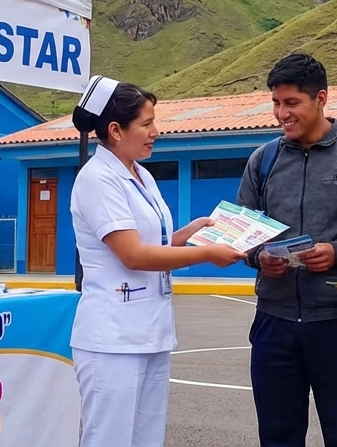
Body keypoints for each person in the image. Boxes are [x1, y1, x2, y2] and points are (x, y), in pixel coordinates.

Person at [69, 75, 245, 447]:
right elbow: (132, 254)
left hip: (149, 331)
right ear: (115, 130)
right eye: (146, 124)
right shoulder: (97, 179)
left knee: (146, 437)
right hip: (112, 337)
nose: (155, 132)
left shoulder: (141, 175)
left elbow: (153, 242)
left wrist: (191, 234)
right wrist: (206, 254)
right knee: (110, 439)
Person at [238, 53, 337, 447]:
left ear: (321, 98)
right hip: (273, 322)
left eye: (291, 103)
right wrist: (260, 257)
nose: (281, 113)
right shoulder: (263, 160)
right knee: (277, 436)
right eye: (276, 102)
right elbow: (241, 233)